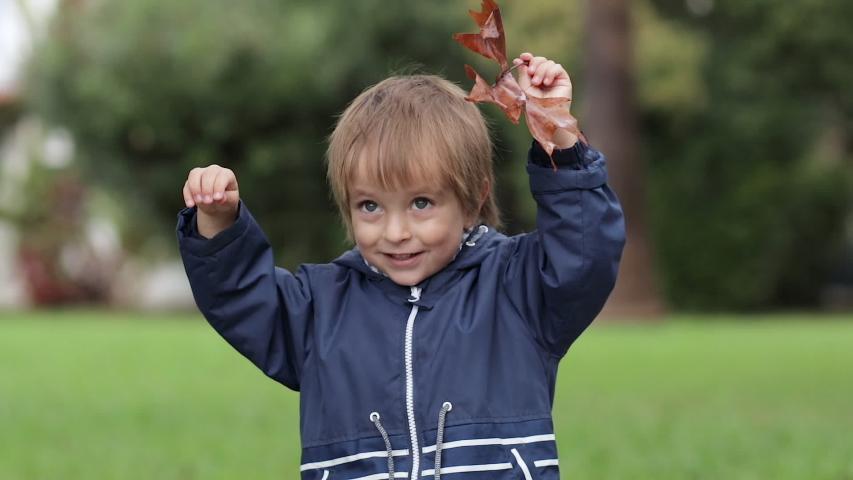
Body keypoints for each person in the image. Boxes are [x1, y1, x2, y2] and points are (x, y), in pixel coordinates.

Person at [177, 52, 625, 480]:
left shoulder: (518, 289)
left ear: (473, 200)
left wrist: (557, 133)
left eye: (421, 203)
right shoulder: (319, 308)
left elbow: (584, 254)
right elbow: (240, 297)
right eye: (370, 205)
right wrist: (218, 223)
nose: (395, 232)